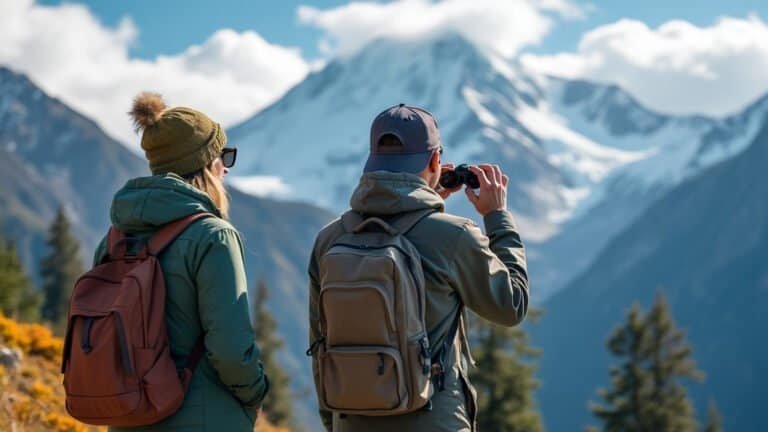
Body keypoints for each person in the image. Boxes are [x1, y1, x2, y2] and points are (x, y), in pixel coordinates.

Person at [308, 104, 529, 431]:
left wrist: (334, 421)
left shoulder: (330, 238)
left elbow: (320, 342)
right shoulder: (453, 236)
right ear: (435, 161)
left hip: (350, 421)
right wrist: (497, 218)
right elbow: (511, 305)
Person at [94, 93, 269, 432]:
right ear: (206, 164)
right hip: (205, 418)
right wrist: (256, 392)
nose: (227, 167)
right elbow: (230, 347)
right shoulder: (214, 236)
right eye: (223, 156)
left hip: (129, 414)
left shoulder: (116, 236)